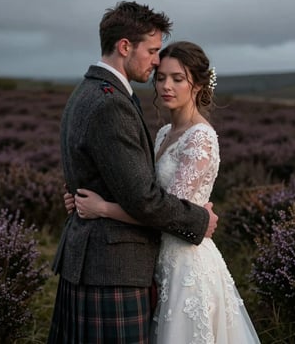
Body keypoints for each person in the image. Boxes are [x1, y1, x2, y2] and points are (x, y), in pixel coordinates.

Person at [66, 41, 261, 343]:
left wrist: (102, 209)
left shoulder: (201, 139)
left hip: (187, 264)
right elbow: (141, 193)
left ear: (197, 84)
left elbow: (167, 214)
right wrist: (82, 198)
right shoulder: (162, 135)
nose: (166, 86)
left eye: (177, 79)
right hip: (157, 262)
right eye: (160, 78)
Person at [48, 2, 218, 344]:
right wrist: (199, 220)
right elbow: (143, 198)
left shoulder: (87, 90)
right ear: (125, 47)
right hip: (112, 267)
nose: (156, 62)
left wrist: (83, 197)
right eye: (153, 51)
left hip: (103, 261)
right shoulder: (110, 102)